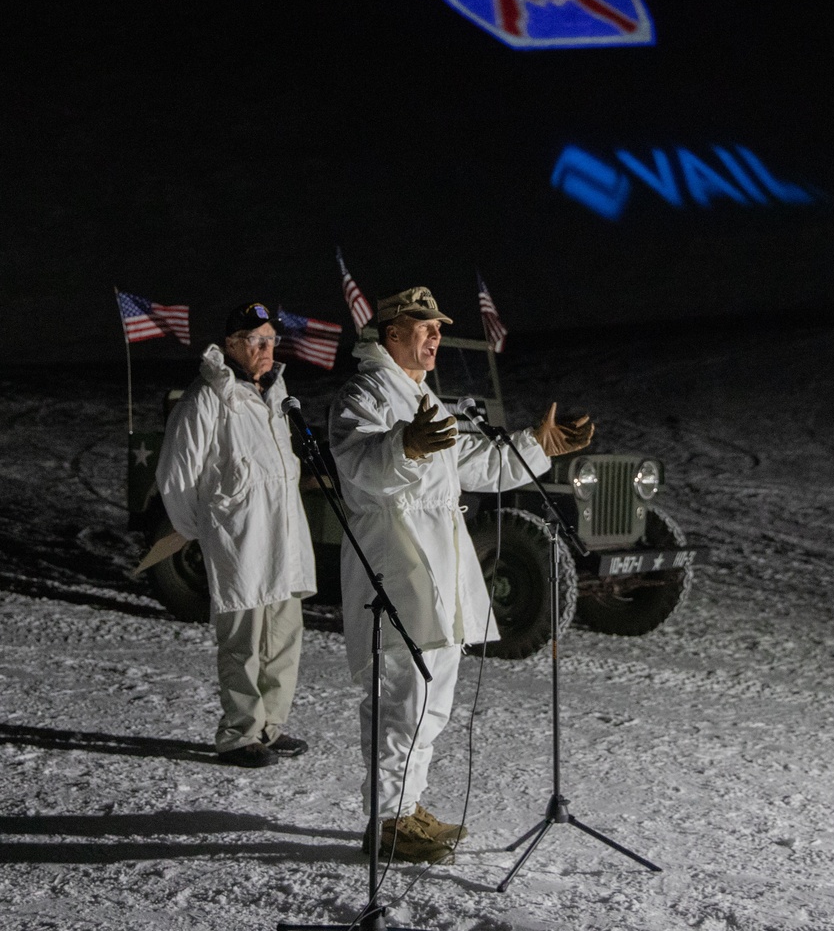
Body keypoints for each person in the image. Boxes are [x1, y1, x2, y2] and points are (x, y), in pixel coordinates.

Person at [328, 285, 593, 862]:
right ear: (391, 332)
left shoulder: (425, 396)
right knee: (401, 695)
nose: (435, 335)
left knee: (430, 699)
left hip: (440, 568)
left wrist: (537, 444)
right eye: (423, 326)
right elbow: (358, 466)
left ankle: (407, 806)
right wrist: (406, 446)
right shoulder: (365, 394)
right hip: (395, 565)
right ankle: (389, 822)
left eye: (438, 327)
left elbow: (476, 463)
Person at [156, 302, 317, 769]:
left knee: (284, 638)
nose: (266, 349)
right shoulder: (206, 398)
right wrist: (204, 530)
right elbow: (176, 476)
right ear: (230, 346)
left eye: (270, 340)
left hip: (284, 539)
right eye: (255, 341)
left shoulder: (275, 394)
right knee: (244, 642)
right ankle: (239, 734)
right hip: (241, 542)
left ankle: (269, 727)